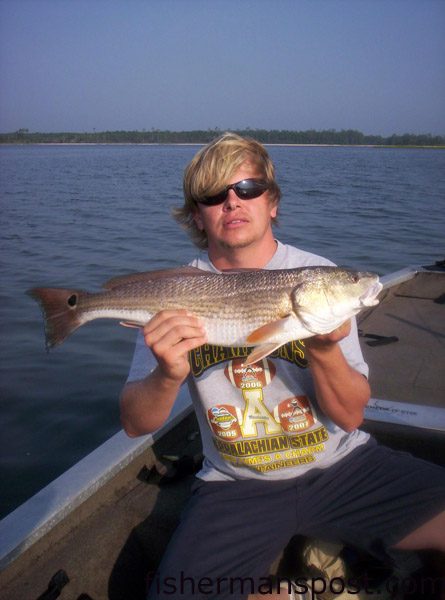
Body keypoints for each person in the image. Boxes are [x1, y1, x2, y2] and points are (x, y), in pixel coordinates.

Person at [120, 133, 445, 599]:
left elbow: (351, 416)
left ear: (272, 202)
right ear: (197, 215)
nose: (232, 202)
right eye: (214, 196)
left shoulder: (319, 277)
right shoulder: (174, 290)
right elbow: (135, 424)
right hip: (236, 485)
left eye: (247, 188)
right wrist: (167, 373)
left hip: (343, 466)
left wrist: (325, 348)